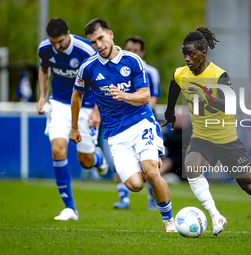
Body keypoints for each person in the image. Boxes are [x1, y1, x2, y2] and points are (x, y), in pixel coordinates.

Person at [162, 27, 251, 238]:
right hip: (202, 138)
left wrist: (207, 97)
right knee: (191, 167)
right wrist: (170, 112)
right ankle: (215, 215)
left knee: (248, 184)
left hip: (227, 140)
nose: (187, 58)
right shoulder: (181, 73)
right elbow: (175, 84)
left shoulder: (219, 75)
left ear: (203, 53)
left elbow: (230, 104)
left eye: (191, 54)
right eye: (185, 54)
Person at [69, 18, 176, 232]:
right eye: (93, 42)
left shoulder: (133, 61)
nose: (99, 45)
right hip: (116, 135)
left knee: (151, 172)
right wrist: (74, 126)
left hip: (141, 123)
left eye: (101, 38)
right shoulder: (88, 68)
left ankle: (169, 221)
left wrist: (124, 95)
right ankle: (146, 167)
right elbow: (76, 94)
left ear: (110, 35)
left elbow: (145, 96)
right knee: (136, 184)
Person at [36, 18, 108, 221]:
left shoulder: (85, 49)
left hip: (86, 105)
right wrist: (42, 96)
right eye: (52, 42)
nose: (56, 46)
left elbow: (102, 79)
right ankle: (70, 208)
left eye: (59, 41)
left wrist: (97, 110)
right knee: (58, 149)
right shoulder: (45, 48)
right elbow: (43, 70)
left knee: (85, 162)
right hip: (59, 102)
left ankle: (98, 158)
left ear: (68, 34)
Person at [113, 36, 162, 210]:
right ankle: (123, 199)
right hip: (121, 122)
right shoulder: (115, 68)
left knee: (147, 163)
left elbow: (152, 98)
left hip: (143, 122)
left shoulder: (150, 71)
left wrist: (136, 113)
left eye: (135, 51)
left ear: (141, 53)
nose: (130, 53)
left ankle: (152, 198)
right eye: (128, 50)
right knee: (123, 159)